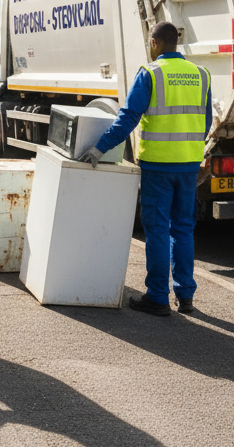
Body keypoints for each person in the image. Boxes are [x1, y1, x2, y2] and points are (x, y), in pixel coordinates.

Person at [77, 21, 211, 317]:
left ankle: (158, 297)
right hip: (189, 164)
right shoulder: (201, 74)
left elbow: (128, 118)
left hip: (159, 165)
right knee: (184, 228)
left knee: (158, 229)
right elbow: (207, 121)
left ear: (154, 43)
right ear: (176, 42)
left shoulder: (150, 73)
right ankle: (186, 296)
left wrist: (100, 148)